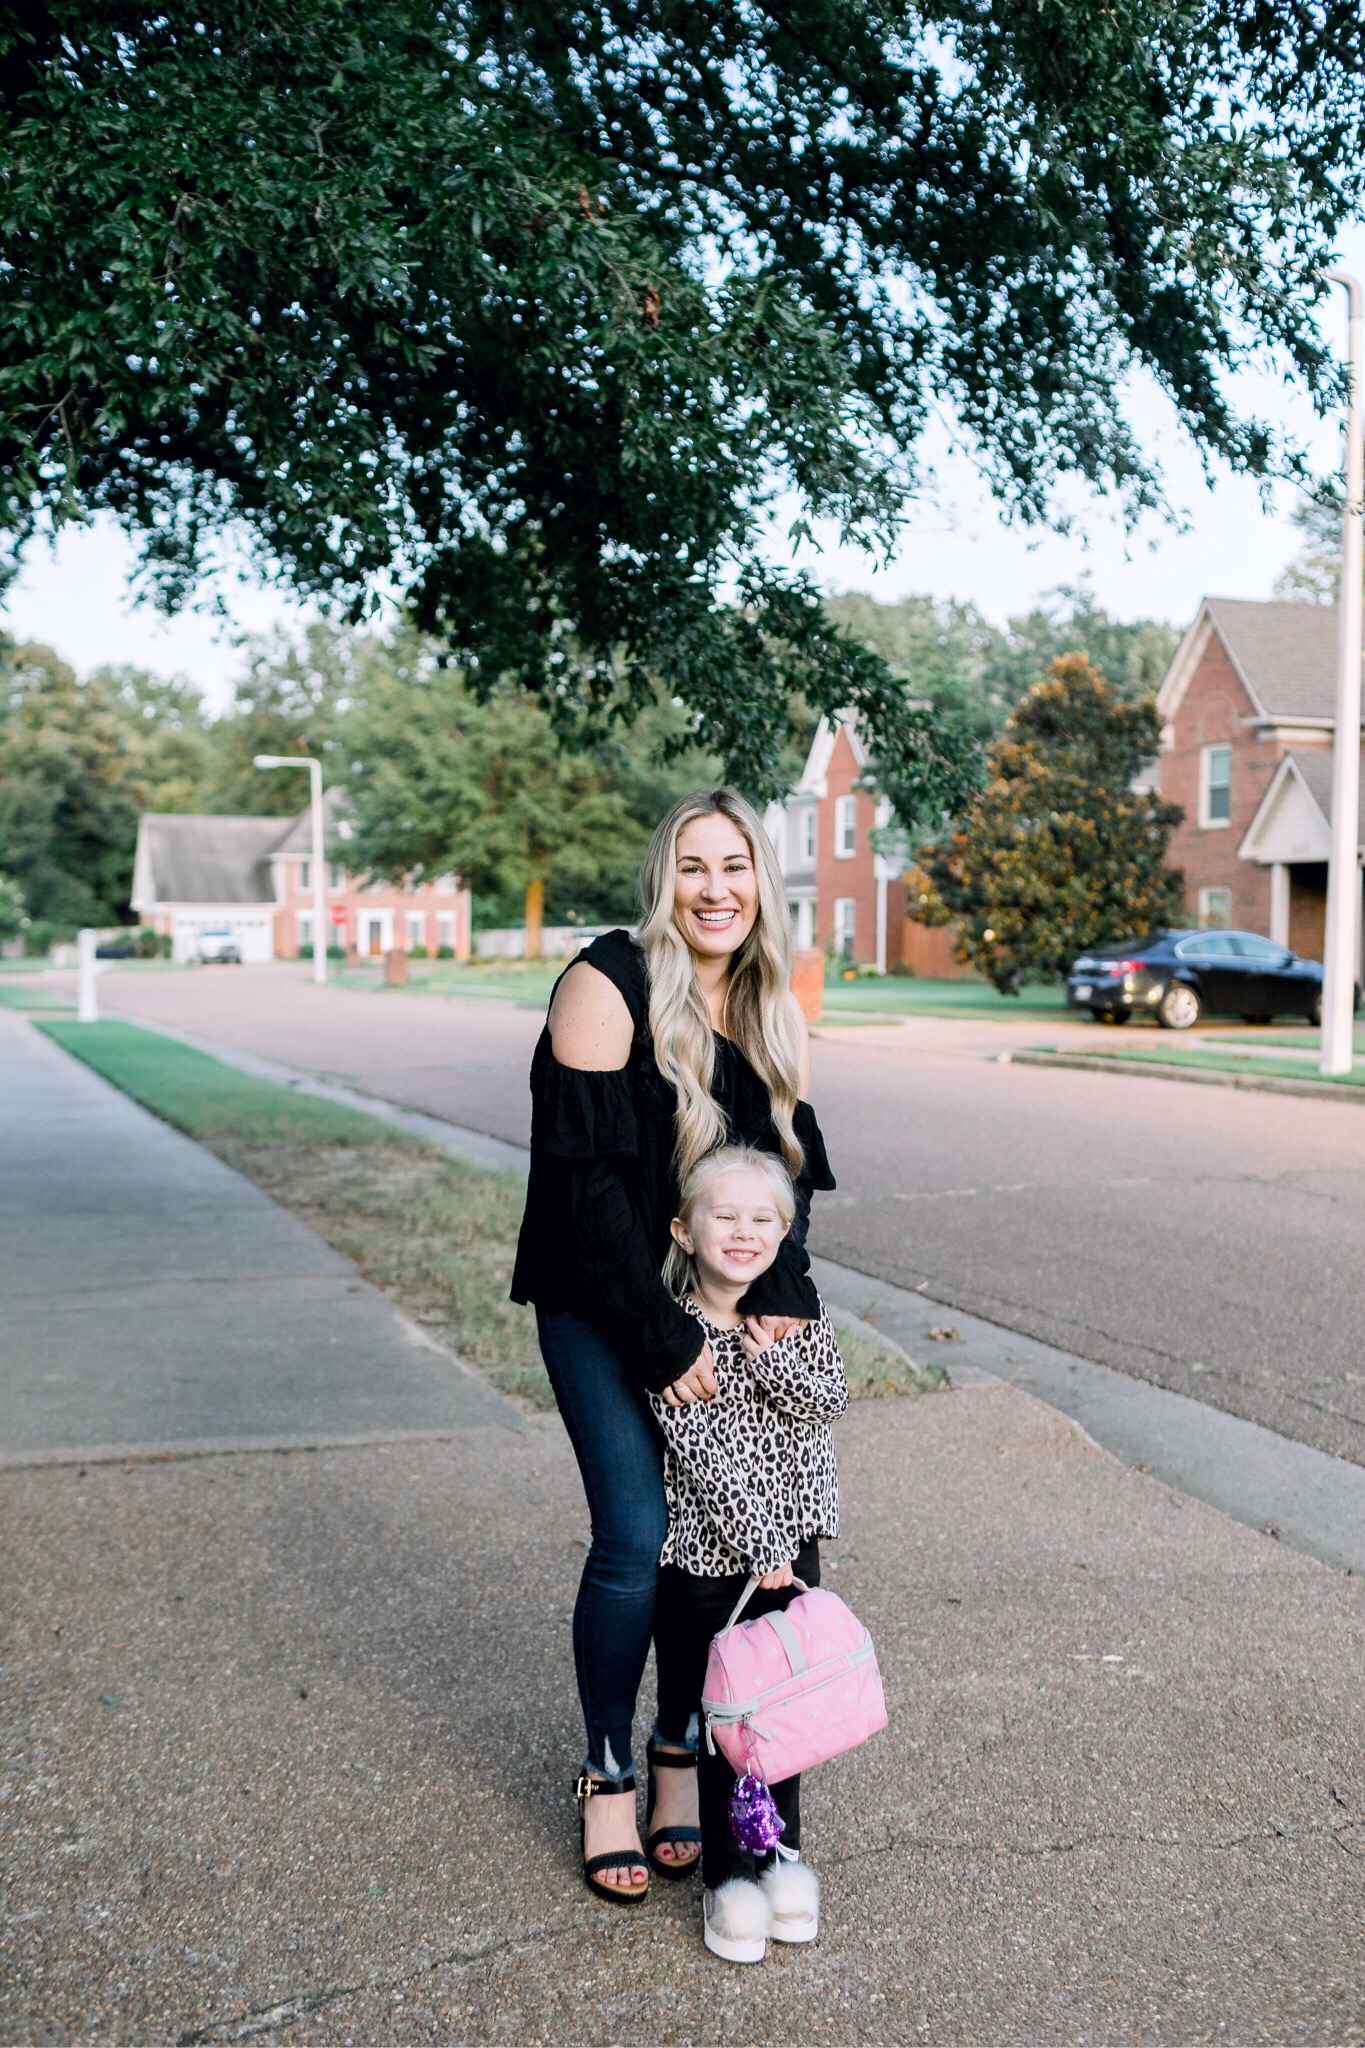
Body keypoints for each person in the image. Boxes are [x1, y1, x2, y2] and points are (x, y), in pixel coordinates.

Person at [510, 787, 836, 1903]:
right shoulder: (605, 983)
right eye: (693, 866)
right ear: (664, 878)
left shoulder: (767, 995)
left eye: (736, 865)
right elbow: (589, 1194)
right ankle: (606, 1764)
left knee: (718, 1537)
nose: (716, 888)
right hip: (599, 1300)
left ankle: (679, 1748)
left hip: (711, 1296)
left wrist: (779, 1291)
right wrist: (659, 1339)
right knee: (638, 1531)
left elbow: (782, 1163)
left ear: (761, 880)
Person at [648, 1144, 847, 1964]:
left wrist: (772, 1351)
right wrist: (762, 1547)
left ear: (784, 1232)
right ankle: (728, 1883)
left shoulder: (795, 1316)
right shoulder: (670, 1335)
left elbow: (829, 1401)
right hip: (710, 1560)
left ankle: (780, 1862)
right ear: (684, 1232)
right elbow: (701, 1454)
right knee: (726, 1725)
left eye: (762, 1219)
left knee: (785, 1719)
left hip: (791, 1556)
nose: (743, 1232)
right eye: (723, 1217)